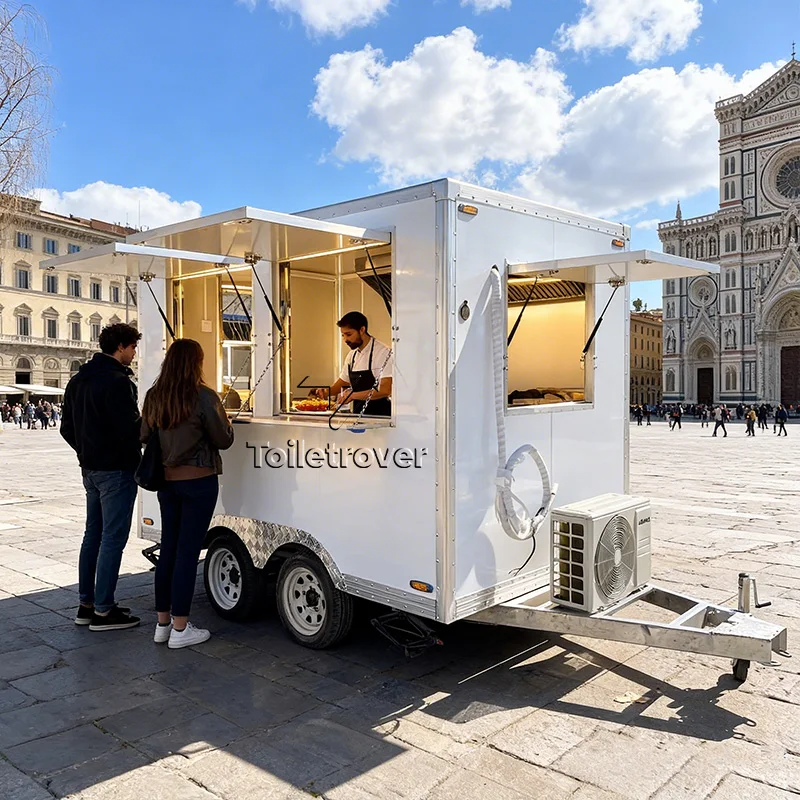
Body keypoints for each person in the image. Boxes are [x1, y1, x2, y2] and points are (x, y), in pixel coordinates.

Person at [141, 339, 234, 649]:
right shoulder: (204, 396)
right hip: (198, 482)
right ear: (196, 363)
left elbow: (142, 435)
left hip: (166, 483)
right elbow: (224, 440)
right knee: (187, 553)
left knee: (168, 550)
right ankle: (181, 630)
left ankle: (163, 624)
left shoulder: (155, 395)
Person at [60, 323, 142, 631]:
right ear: (121, 346)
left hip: (90, 469)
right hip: (117, 470)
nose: (134, 353)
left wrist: (86, 452)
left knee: (92, 535)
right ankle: (105, 610)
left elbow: (66, 427)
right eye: (133, 347)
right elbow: (130, 430)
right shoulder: (118, 383)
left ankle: (87, 605)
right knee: (112, 538)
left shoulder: (78, 380)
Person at [314, 311, 393, 417]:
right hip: (358, 416)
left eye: (349, 334)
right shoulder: (352, 355)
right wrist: (325, 392)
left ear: (362, 330)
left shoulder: (383, 352)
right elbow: (343, 382)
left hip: (381, 417)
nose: (345, 339)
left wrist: (352, 395)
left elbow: (385, 390)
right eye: (343, 335)